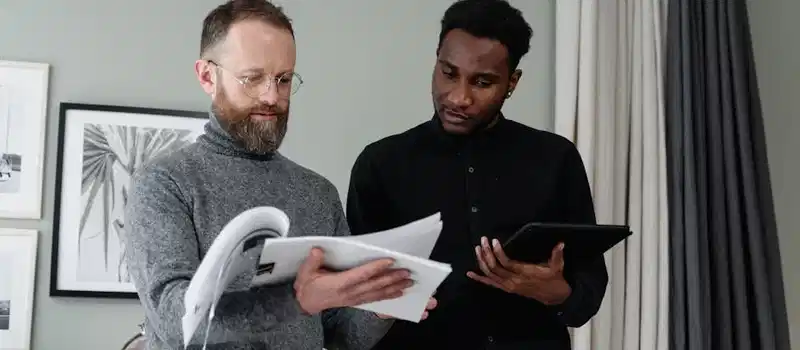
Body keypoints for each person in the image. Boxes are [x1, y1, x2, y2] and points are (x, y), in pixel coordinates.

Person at [123, 1, 435, 349]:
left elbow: (340, 335)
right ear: (207, 76)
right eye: (252, 78)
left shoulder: (317, 193)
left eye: (283, 79)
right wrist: (295, 302)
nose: (272, 96)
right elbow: (176, 322)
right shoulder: (164, 184)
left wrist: (380, 306)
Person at [345, 0, 608, 349]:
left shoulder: (556, 159)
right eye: (448, 73)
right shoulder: (380, 165)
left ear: (512, 82)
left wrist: (556, 294)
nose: (459, 97)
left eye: (482, 82)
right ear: (436, 60)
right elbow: (354, 306)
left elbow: (586, 292)